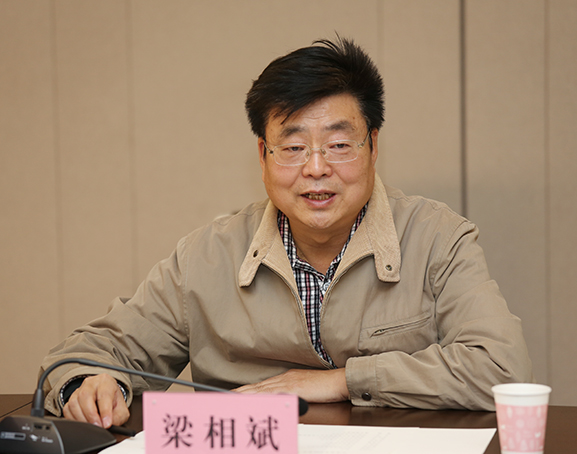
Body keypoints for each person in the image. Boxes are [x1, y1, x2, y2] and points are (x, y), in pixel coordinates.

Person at [40, 37, 533, 428]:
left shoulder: (436, 237)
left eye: (339, 144)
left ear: (373, 145)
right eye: (293, 148)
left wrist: (341, 381)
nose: (316, 168)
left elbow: (501, 368)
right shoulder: (207, 256)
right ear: (263, 156)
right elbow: (80, 357)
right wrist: (89, 385)